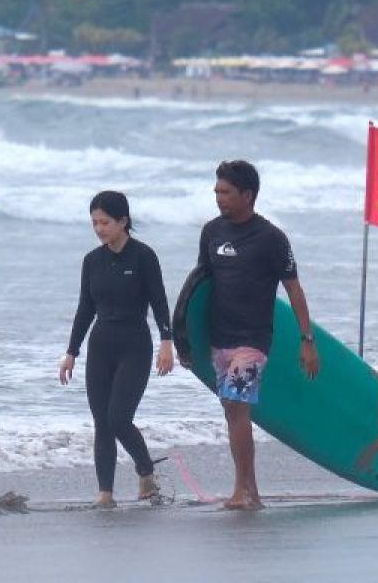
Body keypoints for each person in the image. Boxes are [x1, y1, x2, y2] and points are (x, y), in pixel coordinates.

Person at [188, 160, 319, 510]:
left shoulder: (271, 239)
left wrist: (307, 341)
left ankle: (241, 490)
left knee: (235, 405)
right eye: (216, 191)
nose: (218, 198)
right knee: (233, 412)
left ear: (248, 195)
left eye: (226, 192)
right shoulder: (211, 232)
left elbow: (293, 290)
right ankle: (253, 492)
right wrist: (187, 341)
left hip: (253, 340)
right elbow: (200, 286)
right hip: (219, 339)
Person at [58, 191, 174, 508]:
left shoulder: (143, 256)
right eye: (94, 222)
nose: (98, 228)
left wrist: (167, 341)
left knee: (118, 418)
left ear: (123, 221)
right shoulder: (92, 261)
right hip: (101, 345)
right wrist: (71, 352)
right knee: (101, 422)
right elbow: (85, 309)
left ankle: (146, 470)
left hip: (134, 344)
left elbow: (159, 301)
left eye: (104, 222)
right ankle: (105, 493)